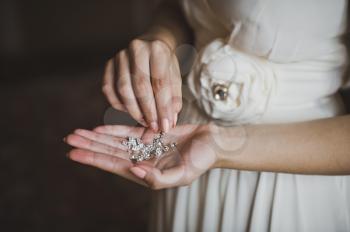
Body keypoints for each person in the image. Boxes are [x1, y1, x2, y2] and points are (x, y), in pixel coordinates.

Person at [64, 0, 350, 231]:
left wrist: (219, 145)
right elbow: (180, 8)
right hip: (185, 146)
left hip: (295, 165)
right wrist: (160, 40)